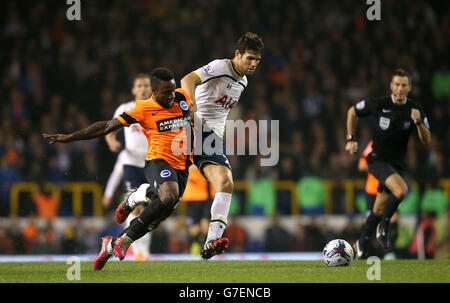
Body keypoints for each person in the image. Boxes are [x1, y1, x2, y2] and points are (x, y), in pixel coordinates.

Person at [43, 67, 193, 270]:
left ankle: (112, 243)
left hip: (183, 166)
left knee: (158, 217)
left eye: (173, 91)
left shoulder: (182, 98)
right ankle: (130, 235)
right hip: (158, 161)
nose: (171, 96)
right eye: (166, 92)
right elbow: (106, 126)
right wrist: (70, 137)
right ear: (154, 92)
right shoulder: (142, 109)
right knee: (167, 197)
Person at [180, 32, 264, 259]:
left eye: (257, 59)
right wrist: (190, 107)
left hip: (211, 138)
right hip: (191, 128)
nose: (253, 64)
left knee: (226, 183)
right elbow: (187, 80)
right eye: (249, 58)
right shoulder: (220, 67)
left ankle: (211, 241)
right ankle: (135, 201)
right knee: (167, 197)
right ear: (237, 54)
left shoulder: (243, 81)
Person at [345, 68, 431, 259]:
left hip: (396, 164)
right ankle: (383, 227)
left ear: (409, 88)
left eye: (404, 85)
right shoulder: (379, 104)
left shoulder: (415, 109)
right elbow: (353, 111)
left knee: (377, 208)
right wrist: (351, 138)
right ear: (391, 86)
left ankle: (362, 243)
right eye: (397, 84)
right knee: (401, 190)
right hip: (377, 159)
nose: (400, 89)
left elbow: (426, 139)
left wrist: (418, 123)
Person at [103, 74, 152, 261]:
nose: (143, 89)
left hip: (151, 163)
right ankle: (138, 250)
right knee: (135, 208)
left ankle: (142, 250)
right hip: (131, 164)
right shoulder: (125, 109)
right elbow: (110, 130)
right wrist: (111, 141)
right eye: (139, 85)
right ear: (133, 90)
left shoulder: (156, 108)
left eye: (146, 85)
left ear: (151, 88)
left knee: (150, 210)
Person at [359, 140, 399, 258]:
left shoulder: (397, 144)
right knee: (370, 220)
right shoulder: (373, 145)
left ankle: (389, 252)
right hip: (373, 190)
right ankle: (366, 251)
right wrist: (380, 166)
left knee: (393, 219)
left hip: (390, 187)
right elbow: (361, 165)